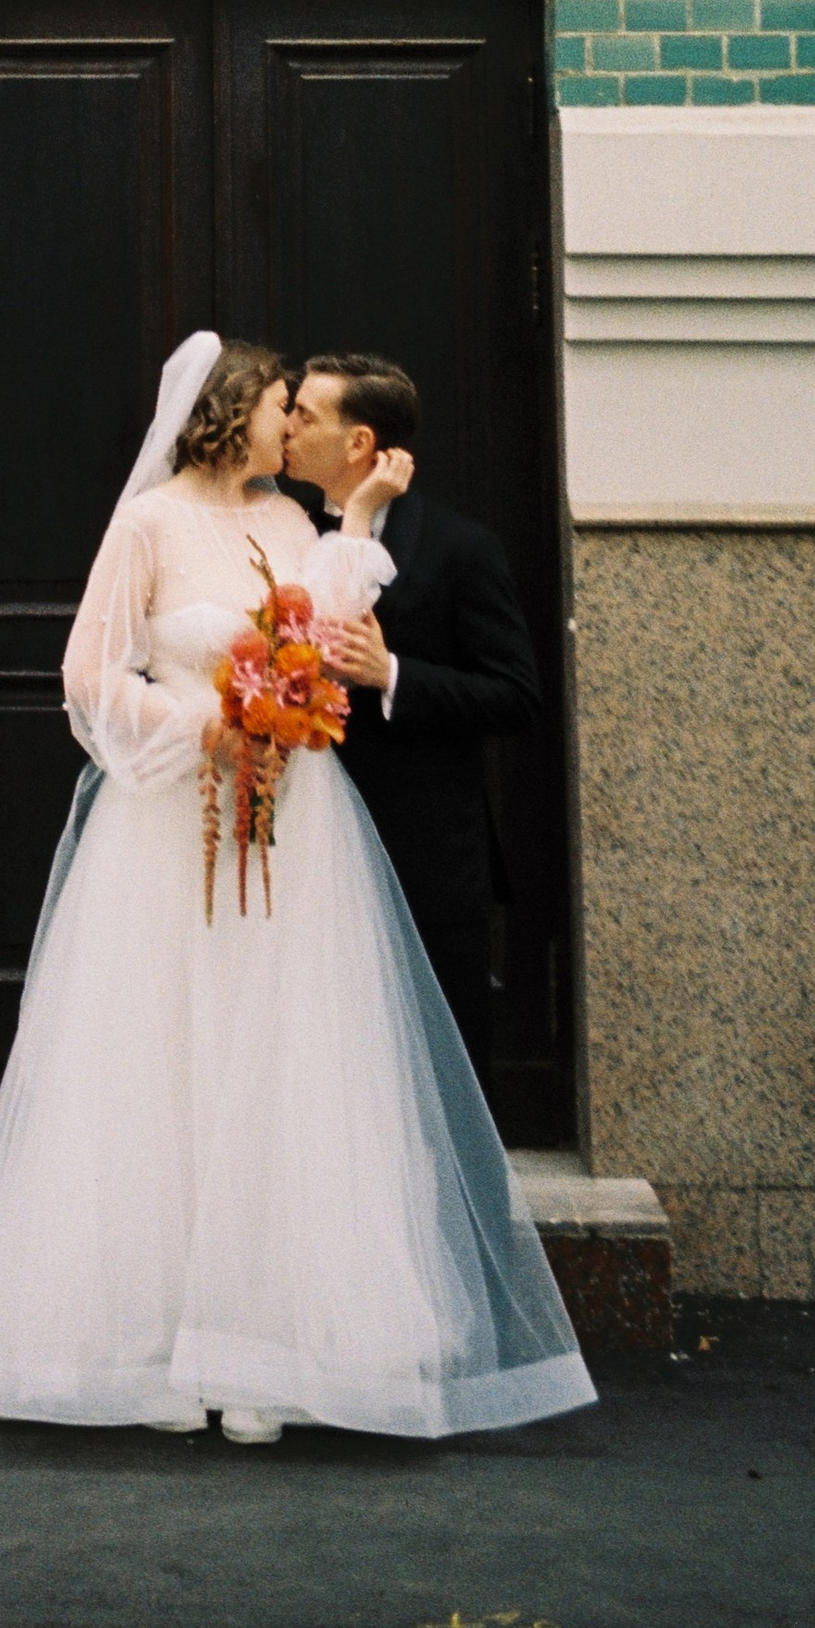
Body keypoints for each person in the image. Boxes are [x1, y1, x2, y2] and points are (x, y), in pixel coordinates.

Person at [0, 333, 594, 1445]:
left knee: (282, 1065)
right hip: (171, 821)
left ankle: (270, 1345)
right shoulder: (150, 523)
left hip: (294, 826)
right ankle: (150, 1345)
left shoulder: (290, 523)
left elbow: (312, 634)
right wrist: (202, 726)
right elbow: (89, 677)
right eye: (283, 405)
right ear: (234, 411)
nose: (293, 425)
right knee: (163, 1062)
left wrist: (356, 524)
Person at [280, 351, 540, 1096]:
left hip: (425, 859)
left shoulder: (462, 548)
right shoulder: (284, 534)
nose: (288, 429)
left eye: (306, 415)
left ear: (359, 442)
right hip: (306, 854)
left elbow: (516, 696)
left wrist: (391, 674)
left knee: (437, 1082)